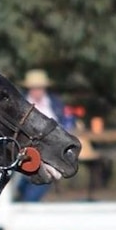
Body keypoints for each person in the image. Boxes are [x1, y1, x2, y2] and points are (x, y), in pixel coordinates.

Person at [17, 69, 72, 202]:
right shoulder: (21, 103)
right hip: (24, 151)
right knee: (21, 184)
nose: (37, 91)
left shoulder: (55, 103)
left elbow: (66, 122)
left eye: (39, 88)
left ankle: (28, 206)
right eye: (34, 88)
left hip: (48, 153)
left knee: (43, 180)